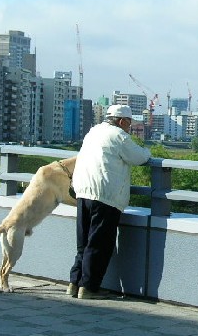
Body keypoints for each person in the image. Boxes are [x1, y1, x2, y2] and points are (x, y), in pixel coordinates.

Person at [67, 104, 151, 299]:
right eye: (129, 124)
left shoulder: (93, 132)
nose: (129, 128)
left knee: (84, 241)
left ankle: (74, 283)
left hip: (83, 191)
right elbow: (138, 157)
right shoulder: (119, 136)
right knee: (99, 243)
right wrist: (147, 152)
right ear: (122, 121)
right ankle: (89, 288)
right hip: (104, 195)